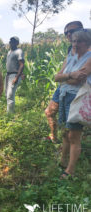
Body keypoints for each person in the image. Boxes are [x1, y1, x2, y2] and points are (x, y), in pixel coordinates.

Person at [55, 29, 91, 178]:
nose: (75, 44)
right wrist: (69, 75)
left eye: (79, 41)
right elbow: (56, 77)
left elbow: (79, 80)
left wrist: (65, 78)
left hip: (77, 99)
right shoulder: (70, 56)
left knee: (74, 136)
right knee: (64, 130)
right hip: (64, 95)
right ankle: (63, 159)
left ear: (87, 42)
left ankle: (70, 170)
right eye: (74, 41)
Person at [44, 21, 84, 143]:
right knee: (49, 112)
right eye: (66, 32)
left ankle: (68, 149)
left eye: (72, 31)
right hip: (63, 88)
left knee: (71, 123)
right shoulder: (70, 49)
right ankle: (54, 137)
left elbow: (79, 78)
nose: (68, 34)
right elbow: (59, 74)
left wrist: (66, 77)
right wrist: (67, 77)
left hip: (77, 92)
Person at [5, 36, 24, 113]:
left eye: (13, 41)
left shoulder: (19, 51)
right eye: (10, 41)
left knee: (10, 95)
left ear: (17, 43)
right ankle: (9, 111)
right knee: (6, 94)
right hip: (8, 75)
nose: (11, 43)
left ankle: (10, 114)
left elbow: (21, 65)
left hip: (14, 75)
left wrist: (17, 77)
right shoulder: (9, 52)